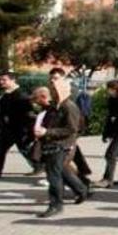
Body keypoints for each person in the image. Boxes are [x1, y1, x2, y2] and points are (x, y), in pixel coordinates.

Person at [32, 80, 92, 217]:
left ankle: (56, 205)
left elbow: (71, 129)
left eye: (54, 89)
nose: (52, 91)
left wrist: (47, 132)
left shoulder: (69, 107)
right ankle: (82, 190)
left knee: (53, 175)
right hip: (51, 144)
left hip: (61, 145)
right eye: (52, 89)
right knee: (62, 171)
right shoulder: (55, 106)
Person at [0, 71, 40, 177]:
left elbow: (28, 114)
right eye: (0, 79)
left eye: (4, 80)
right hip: (8, 129)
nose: (1, 82)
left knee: (26, 150)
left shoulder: (21, 95)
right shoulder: (6, 94)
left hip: (20, 130)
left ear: (13, 80)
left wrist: (28, 130)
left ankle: (40, 166)